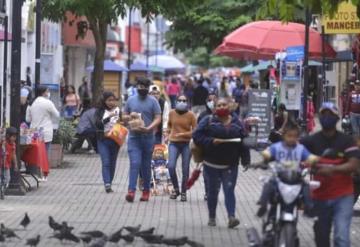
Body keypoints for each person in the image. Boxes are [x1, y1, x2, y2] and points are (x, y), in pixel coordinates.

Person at [301, 102, 360, 247]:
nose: (327, 117)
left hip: (343, 196)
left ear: (337, 118)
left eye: (330, 114)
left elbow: (353, 164)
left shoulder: (346, 140)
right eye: (323, 114)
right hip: (321, 196)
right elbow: (295, 153)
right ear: (319, 116)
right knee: (321, 237)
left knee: (341, 236)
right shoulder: (311, 140)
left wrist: (332, 170)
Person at [192, 98, 250, 228]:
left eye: (224, 105)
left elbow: (244, 142)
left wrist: (246, 160)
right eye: (219, 105)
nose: (222, 107)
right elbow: (196, 136)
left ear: (229, 106)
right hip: (211, 164)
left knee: (229, 190)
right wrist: (211, 141)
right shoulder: (208, 121)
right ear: (215, 108)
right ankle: (212, 217)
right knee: (213, 193)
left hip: (230, 165)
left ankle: (231, 217)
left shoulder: (237, 123)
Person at [256, 121, 318, 217]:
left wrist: (314, 160)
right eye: (289, 136)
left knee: (306, 187)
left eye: (295, 136)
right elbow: (268, 152)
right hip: (279, 176)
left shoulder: (300, 148)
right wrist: (265, 155)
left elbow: (310, 157)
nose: (292, 139)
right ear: (284, 136)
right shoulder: (277, 147)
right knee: (268, 185)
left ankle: (308, 208)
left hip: (295, 177)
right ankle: (263, 205)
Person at [124, 77, 161, 202]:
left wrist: (150, 128)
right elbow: (123, 116)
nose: (142, 89)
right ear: (137, 87)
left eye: (145, 87)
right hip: (134, 138)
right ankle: (131, 191)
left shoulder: (153, 101)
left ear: (148, 88)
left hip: (148, 138)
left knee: (145, 166)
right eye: (140, 86)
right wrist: (130, 117)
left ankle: (146, 191)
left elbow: (158, 117)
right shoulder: (130, 100)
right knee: (135, 163)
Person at [165, 95, 197, 202]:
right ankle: (176, 188)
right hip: (173, 143)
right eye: (180, 100)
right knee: (171, 166)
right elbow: (169, 124)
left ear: (187, 102)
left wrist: (184, 134)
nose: (182, 102)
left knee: (185, 168)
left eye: (184, 100)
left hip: (186, 144)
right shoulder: (172, 113)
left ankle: (183, 192)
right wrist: (167, 133)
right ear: (176, 101)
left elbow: (196, 131)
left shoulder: (191, 115)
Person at [94, 92, 121, 193]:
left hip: (115, 140)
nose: (111, 102)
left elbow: (122, 123)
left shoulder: (118, 110)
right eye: (109, 100)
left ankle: (110, 181)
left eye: (113, 100)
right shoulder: (100, 111)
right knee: (106, 162)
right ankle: (107, 184)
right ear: (104, 101)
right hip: (103, 140)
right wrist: (108, 118)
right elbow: (97, 124)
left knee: (112, 162)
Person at [26, 85, 60, 153]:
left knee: (35, 154)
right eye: (47, 91)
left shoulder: (31, 103)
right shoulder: (48, 103)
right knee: (44, 156)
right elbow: (57, 115)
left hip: (34, 133)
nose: (49, 93)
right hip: (46, 133)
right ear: (43, 93)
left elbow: (28, 119)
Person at [197, 92, 218, 201]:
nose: (212, 102)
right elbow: (197, 132)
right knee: (206, 172)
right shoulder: (203, 115)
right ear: (206, 102)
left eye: (214, 100)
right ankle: (207, 192)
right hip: (206, 148)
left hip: (219, 149)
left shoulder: (222, 114)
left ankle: (214, 191)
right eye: (209, 100)